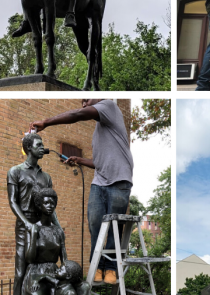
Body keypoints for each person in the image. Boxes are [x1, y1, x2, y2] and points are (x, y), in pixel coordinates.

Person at [30, 99, 133, 285]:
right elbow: (99, 163)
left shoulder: (109, 106)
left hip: (119, 180)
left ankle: (111, 269)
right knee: (95, 226)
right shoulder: (99, 132)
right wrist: (80, 159)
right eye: (82, 101)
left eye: (87, 100)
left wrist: (46, 122)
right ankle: (97, 267)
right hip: (99, 181)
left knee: (113, 227)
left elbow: (77, 115)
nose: (84, 104)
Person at [8, 133, 61, 295]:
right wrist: (27, 224)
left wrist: (58, 227)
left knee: (43, 271)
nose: (42, 148)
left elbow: (51, 206)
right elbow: (12, 201)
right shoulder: (15, 171)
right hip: (25, 226)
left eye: (42, 145)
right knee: (20, 272)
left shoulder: (46, 177)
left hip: (43, 226)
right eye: (39, 145)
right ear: (28, 148)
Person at [23, 188, 68, 295]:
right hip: (36, 273)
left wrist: (67, 273)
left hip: (54, 272)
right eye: (46, 203)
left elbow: (64, 258)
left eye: (52, 203)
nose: (50, 206)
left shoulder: (58, 231)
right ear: (40, 205)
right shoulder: (32, 229)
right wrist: (34, 234)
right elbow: (29, 259)